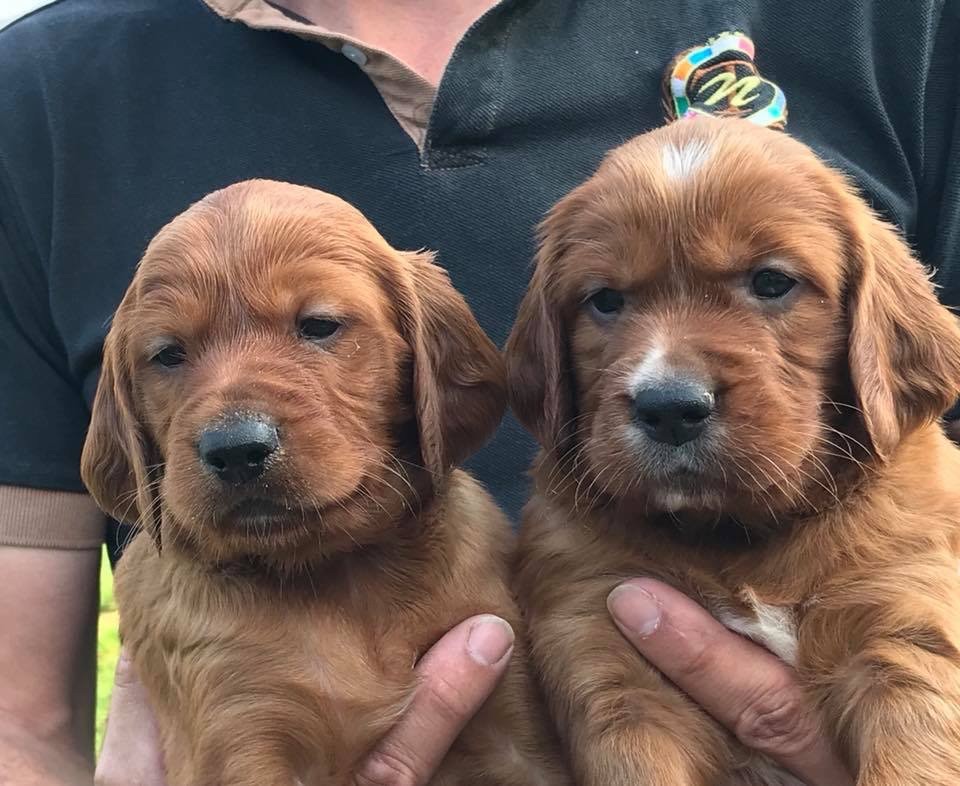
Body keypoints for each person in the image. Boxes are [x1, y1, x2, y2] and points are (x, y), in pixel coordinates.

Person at [0, 0, 955, 784]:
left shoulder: (899, 25)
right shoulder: (37, 96)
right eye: (607, 301)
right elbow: (19, 728)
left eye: (772, 283)